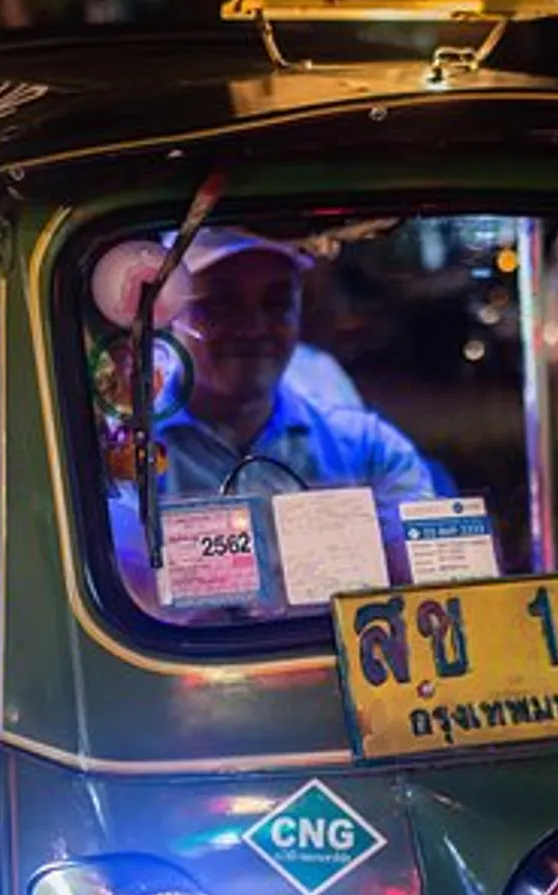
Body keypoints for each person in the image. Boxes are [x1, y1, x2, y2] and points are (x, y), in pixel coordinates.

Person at [108, 227, 433, 613]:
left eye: (276, 303)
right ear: (167, 317)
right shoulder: (125, 462)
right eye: (221, 304)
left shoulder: (371, 453)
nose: (253, 327)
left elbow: (430, 595)